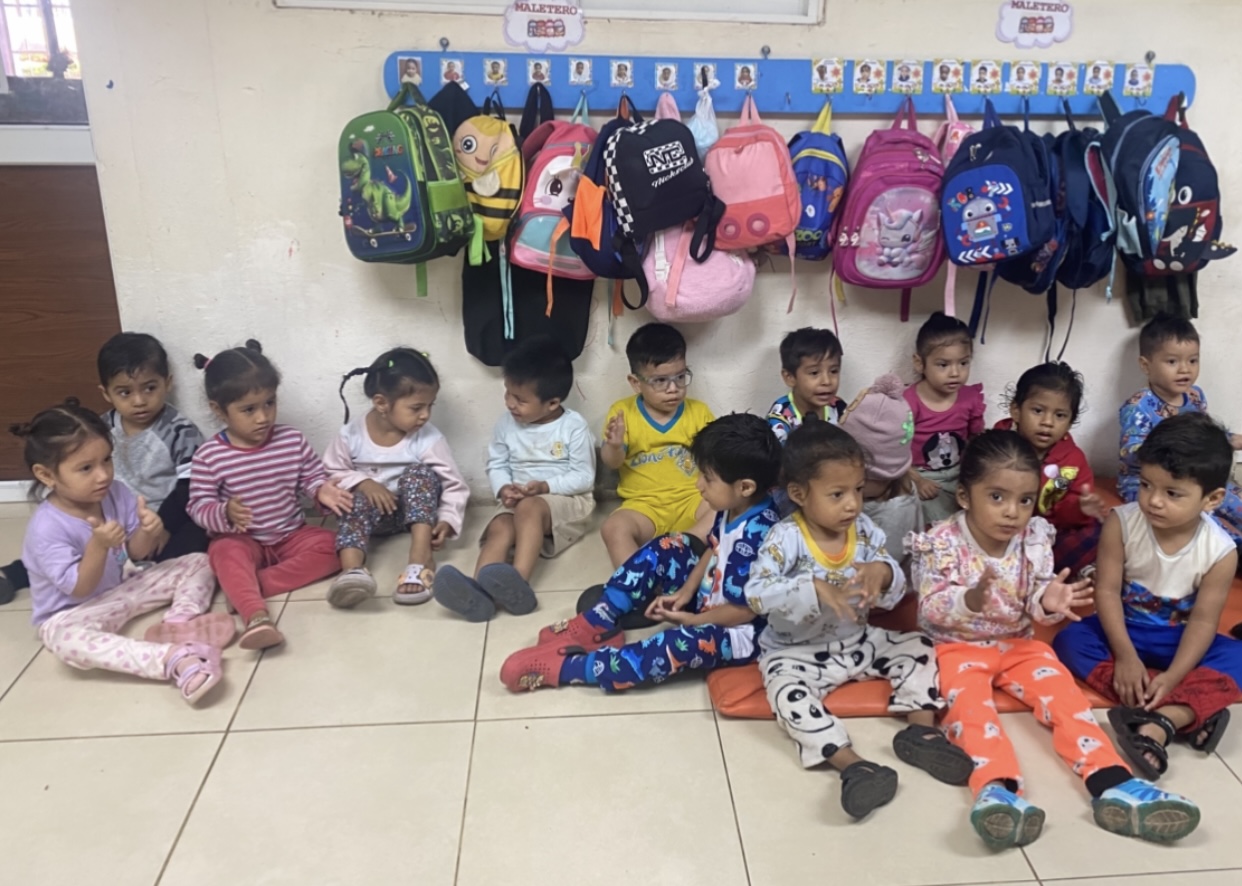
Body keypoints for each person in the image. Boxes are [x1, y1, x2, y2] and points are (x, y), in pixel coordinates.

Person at [909, 430, 1200, 849]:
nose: (1012, 512)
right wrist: (967, 599)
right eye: (997, 497)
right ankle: (997, 791)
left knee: (1067, 700)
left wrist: (1049, 599)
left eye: (1025, 500)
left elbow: (1037, 596)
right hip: (955, 648)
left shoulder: (1033, 538)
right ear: (964, 496)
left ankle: (1114, 783)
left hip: (1018, 644)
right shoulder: (940, 543)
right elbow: (928, 609)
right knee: (971, 712)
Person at [746, 422, 972, 820]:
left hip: (859, 642)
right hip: (796, 653)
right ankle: (854, 766)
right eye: (837, 494)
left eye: (858, 489)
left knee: (919, 646)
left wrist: (882, 574)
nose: (852, 504)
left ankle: (921, 730)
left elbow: (894, 583)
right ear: (799, 494)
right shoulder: (785, 539)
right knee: (787, 697)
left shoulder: (864, 530)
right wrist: (812, 587)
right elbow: (757, 594)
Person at [500, 413, 781, 690]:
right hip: (706, 601)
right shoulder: (732, 505)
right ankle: (600, 619)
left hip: (737, 631)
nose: (698, 485)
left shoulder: (759, 535)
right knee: (667, 545)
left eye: (708, 479)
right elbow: (713, 549)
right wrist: (685, 593)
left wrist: (694, 621)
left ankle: (571, 669)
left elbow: (743, 612)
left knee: (671, 646)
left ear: (745, 487)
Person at [1055, 413, 1242, 780]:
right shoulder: (1121, 523)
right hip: (1122, 631)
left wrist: (1173, 676)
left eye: (1172, 493)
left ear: (1212, 499)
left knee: (1238, 657)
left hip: (1180, 640)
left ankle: (1162, 717)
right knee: (1068, 640)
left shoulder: (1221, 552)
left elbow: (1204, 621)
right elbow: (1106, 590)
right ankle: (1187, 710)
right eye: (1145, 485)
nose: (1153, 501)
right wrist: (1125, 657)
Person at [15, 400, 226, 706]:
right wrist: (98, 546)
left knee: (199, 561)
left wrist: (148, 530)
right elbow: (80, 588)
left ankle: (180, 622)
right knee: (68, 642)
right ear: (46, 475)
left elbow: (136, 553)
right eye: (86, 468)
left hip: (123, 587)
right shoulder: (46, 528)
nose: (103, 475)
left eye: (106, 460)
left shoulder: (115, 492)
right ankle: (174, 658)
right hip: (73, 613)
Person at [188, 340, 351, 651]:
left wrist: (322, 490)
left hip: (291, 534)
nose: (263, 417)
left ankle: (247, 586)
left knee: (338, 546)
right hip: (242, 539)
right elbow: (198, 506)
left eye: (269, 403)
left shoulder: (291, 440)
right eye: (248, 409)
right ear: (218, 410)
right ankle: (256, 616)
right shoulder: (209, 456)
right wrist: (223, 512)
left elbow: (311, 477)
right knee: (224, 552)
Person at [435, 337, 594, 622]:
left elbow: (584, 477)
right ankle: (478, 594)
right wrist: (503, 488)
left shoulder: (573, 427)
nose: (510, 404)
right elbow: (497, 463)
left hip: (566, 501)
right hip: (520, 500)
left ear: (552, 403)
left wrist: (545, 487)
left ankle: (518, 583)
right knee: (500, 526)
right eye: (508, 393)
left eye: (520, 400)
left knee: (529, 508)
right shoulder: (506, 423)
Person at [324, 348, 468, 610]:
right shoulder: (351, 435)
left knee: (419, 474)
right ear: (381, 403)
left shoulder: (426, 437)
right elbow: (331, 472)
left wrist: (447, 519)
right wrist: (363, 482)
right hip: (372, 517)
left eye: (430, 406)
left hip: (415, 516)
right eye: (416, 407)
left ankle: (420, 560)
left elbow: (454, 484)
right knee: (351, 499)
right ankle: (352, 571)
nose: (425, 415)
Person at [1118, 312, 1242, 545]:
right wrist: (1170, 450)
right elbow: (1131, 454)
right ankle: (1230, 547)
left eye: (1192, 361)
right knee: (1204, 522)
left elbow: (1202, 436)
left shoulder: (1195, 396)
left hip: (1195, 477)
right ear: (1146, 365)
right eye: (1172, 362)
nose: (1185, 369)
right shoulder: (1138, 407)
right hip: (1151, 484)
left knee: (1233, 498)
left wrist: (1231, 439)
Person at [599, 323, 714, 567]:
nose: (673, 389)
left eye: (680, 377)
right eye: (660, 381)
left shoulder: (698, 412)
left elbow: (714, 459)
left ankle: (684, 546)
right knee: (613, 528)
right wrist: (614, 446)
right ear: (635, 382)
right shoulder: (623, 412)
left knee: (725, 510)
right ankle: (638, 580)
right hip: (644, 506)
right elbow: (612, 462)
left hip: (693, 499)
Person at [98, 332, 210, 563]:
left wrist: (163, 527)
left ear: (167, 383)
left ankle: (149, 568)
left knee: (199, 535)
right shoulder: (99, 430)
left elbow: (190, 488)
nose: (139, 401)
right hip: (114, 523)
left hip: (164, 521)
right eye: (125, 392)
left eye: (149, 388)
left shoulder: (180, 431)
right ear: (106, 393)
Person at [995, 362, 1104, 575]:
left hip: (1048, 535)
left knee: (1101, 532)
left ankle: (1036, 569)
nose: (1047, 422)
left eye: (1060, 415)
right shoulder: (996, 445)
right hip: (1003, 527)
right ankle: (1026, 569)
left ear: (1070, 422)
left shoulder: (1073, 460)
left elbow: (1067, 515)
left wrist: (1080, 508)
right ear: (1016, 411)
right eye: (1038, 411)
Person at [905, 312, 985, 526]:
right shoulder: (909, 403)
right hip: (922, 475)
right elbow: (894, 450)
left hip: (960, 471)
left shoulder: (970, 398)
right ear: (919, 363)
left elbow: (975, 438)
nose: (955, 373)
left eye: (963, 363)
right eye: (943, 365)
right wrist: (918, 480)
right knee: (937, 523)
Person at [840, 374, 922, 572]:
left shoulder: (896, 514)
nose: (851, 485)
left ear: (887, 476)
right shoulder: (875, 493)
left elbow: (879, 573)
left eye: (861, 482)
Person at [766, 327, 846, 444]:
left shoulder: (837, 407)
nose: (827, 381)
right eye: (814, 373)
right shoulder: (780, 418)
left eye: (833, 371)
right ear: (790, 377)